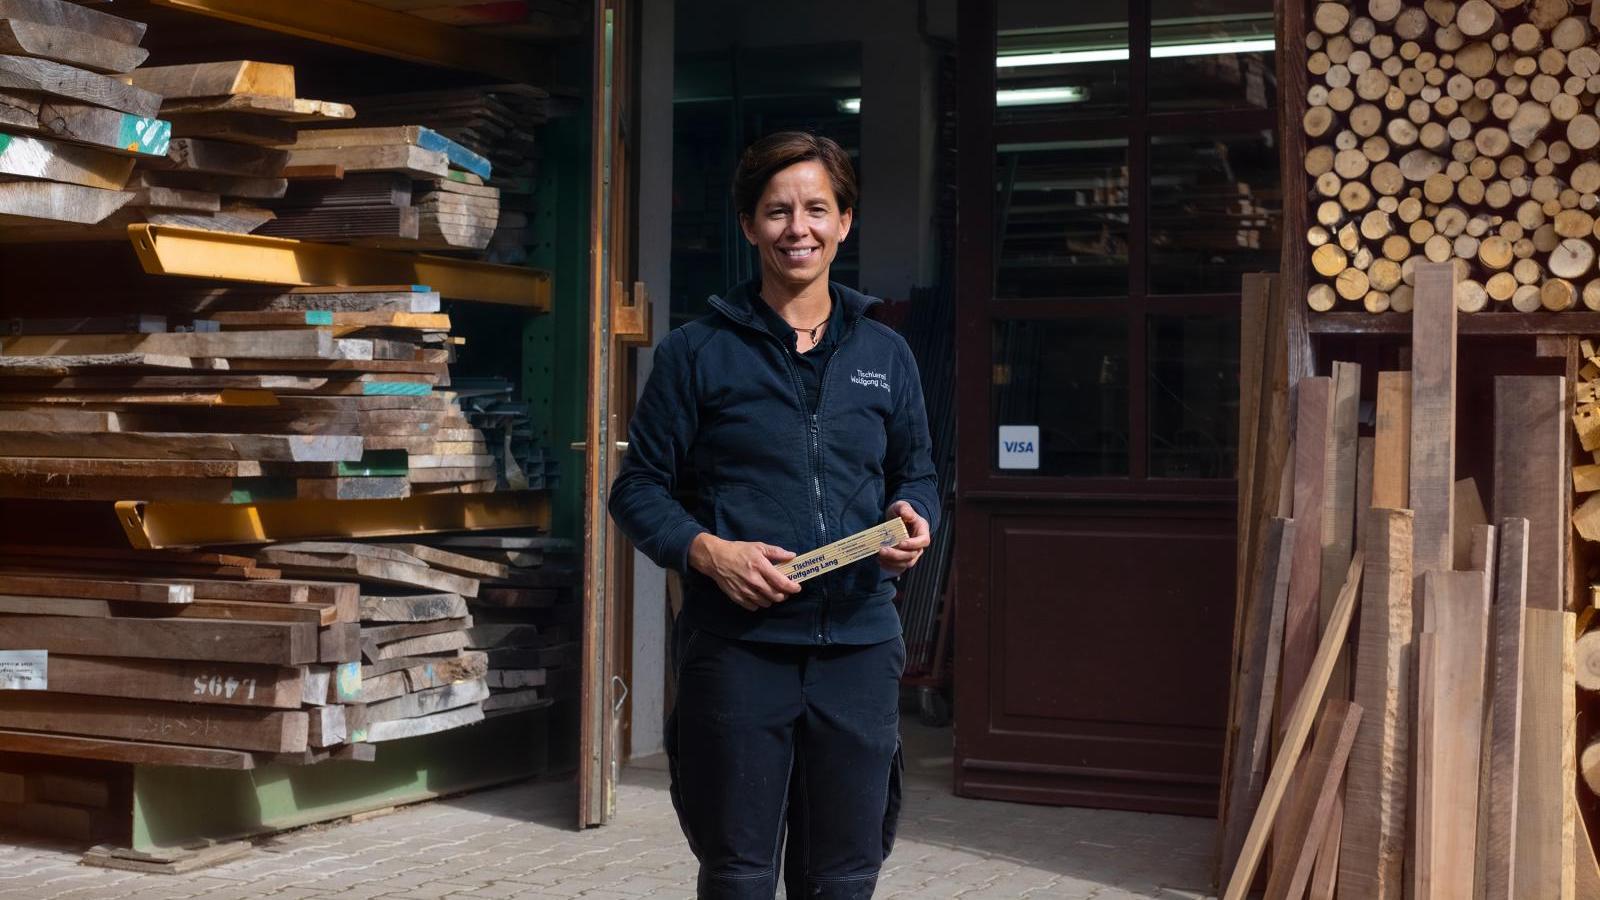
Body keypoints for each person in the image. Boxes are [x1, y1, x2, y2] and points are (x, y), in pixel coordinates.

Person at [607, 130, 940, 899]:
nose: (800, 228)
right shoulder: (696, 353)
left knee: (844, 875)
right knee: (739, 874)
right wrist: (708, 553)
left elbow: (916, 473)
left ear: (845, 221)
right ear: (750, 225)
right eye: (778, 211)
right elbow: (639, 487)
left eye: (818, 209)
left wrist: (915, 516)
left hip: (859, 646)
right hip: (738, 651)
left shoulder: (886, 354)